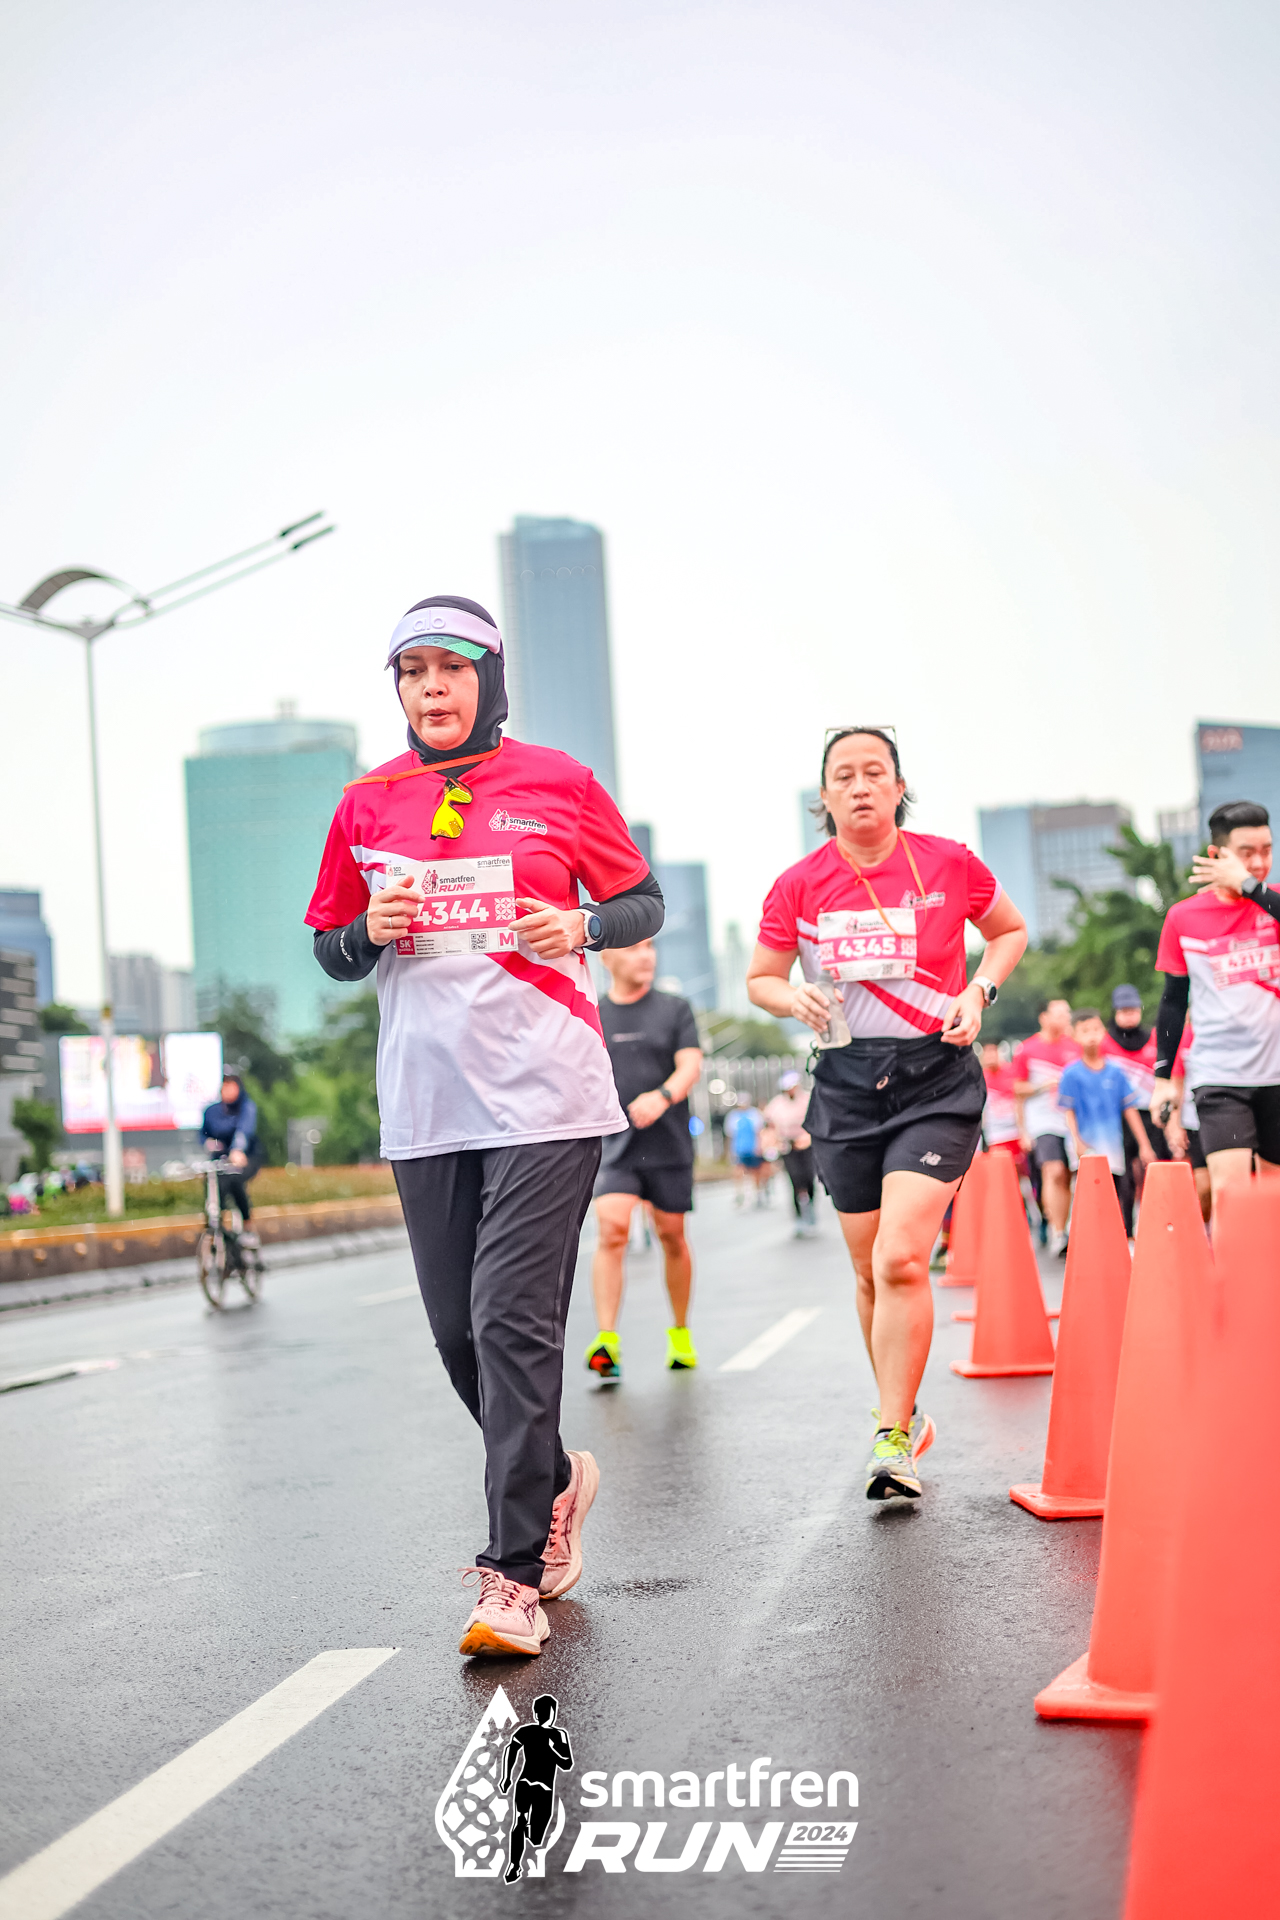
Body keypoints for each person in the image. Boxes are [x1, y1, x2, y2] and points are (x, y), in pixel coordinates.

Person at [305, 594, 663, 1659]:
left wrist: (582, 924)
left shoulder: (559, 782)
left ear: (488, 680)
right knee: (458, 1334)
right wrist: (366, 930)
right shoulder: (365, 801)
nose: (432, 689)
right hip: (427, 1104)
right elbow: (328, 944)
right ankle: (552, 1482)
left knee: (510, 1323)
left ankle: (512, 1575)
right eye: (413, 672)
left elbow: (640, 901)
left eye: (452, 669)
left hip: (547, 1093)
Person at [746, 727, 1027, 1501]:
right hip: (844, 1085)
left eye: (876, 772)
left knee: (901, 1257)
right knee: (868, 1267)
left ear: (900, 787)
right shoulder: (798, 884)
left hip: (935, 1078)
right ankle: (900, 1411)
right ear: (824, 797)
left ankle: (892, 1438)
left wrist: (978, 991)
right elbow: (761, 978)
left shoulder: (948, 862)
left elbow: (1007, 931)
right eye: (845, 775)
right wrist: (791, 998)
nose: (861, 785)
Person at [1150, 800, 1280, 1210]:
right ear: (1216, 855)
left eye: (1267, 850)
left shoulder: (1273, 902)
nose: (1259, 863)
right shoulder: (1183, 918)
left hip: (1277, 1073)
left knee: (1274, 1196)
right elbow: (1173, 1002)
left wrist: (1250, 887)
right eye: (1246, 853)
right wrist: (1163, 1077)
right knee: (1231, 1194)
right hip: (1220, 1076)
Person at [587, 939, 703, 1382]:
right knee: (612, 1230)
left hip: (668, 1143)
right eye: (634, 948)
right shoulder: (593, 1012)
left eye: (651, 946)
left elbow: (690, 1066)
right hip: (615, 1146)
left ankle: (680, 1332)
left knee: (671, 1236)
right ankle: (606, 1341)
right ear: (607, 958)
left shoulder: (675, 1009)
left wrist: (663, 1096)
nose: (646, 955)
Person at [1057, 1009, 1154, 1210]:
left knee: (1116, 1197)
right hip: (1085, 1149)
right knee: (1089, 1199)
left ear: (1103, 1032)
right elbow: (1069, 1111)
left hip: (1112, 1149)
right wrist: (1076, 1141)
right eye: (1085, 1031)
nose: (1091, 1036)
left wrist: (1144, 1144)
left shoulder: (1115, 1071)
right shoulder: (1071, 1074)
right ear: (1074, 1035)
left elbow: (1129, 1109)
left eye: (1095, 1029)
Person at [1013, 999, 1078, 1256]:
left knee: (1068, 1175)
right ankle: (1056, 1231)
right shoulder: (1027, 1049)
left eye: (1067, 1014)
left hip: (1070, 1120)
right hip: (1042, 1121)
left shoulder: (1074, 1046)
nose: (1065, 1018)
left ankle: (1064, 1224)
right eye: (1060, 1014)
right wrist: (1022, 1131)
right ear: (1044, 1017)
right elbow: (1017, 1090)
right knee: (1054, 1170)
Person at [500, 1694, 572, 1884]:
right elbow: (511, 1749)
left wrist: (550, 1751)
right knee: (520, 1820)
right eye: (542, 1712)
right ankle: (514, 1865)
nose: (545, 1715)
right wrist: (506, 1777)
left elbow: (567, 1764)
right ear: (536, 1713)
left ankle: (526, 1833)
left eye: (547, 1711)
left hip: (542, 1788)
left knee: (536, 1836)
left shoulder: (559, 1735)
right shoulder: (527, 1731)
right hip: (528, 1783)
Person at [201, 1073, 262, 1246]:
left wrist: (237, 1150)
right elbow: (203, 1133)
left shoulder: (246, 1108)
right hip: (220, 1160)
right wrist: (208, 1143)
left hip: (246, 1157)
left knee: (235, 1180)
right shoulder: (212, 1111)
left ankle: (247, 1224)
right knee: (213, 1184)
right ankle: (215, 1225)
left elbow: (244, 1131)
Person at [1163, 1024, 1212, 1223]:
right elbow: (1177, 1083)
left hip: (1237, 1118)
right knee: (1204, 1187)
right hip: (1196, 1122)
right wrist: (1175, 1125)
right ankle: (1203, 1231)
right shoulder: (1188, 1035)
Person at [763, 1071, 819, 1235]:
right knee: (795, 1180)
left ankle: (810, 1208)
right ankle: (799, 1217)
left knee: (808, 1178)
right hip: (787, 1147)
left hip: (806, 1145)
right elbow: (769, 1125)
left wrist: (807, 1137)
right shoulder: (777, 1104)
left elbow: (816, 1121)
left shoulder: (806, 1100)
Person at [980, 1041, 1021, 1157]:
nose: (990, 1057)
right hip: (995, 1134)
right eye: (987, 1054)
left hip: (1016, 1131)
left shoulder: (1012, 1072)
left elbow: (1020, 1100)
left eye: (993, 1053)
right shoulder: (980, 1078)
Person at [726, 1100, 767, 1204]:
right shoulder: (733, 1116)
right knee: (738, 1171)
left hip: (753, 1148)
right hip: (739, 1149)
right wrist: (730, 1151)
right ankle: (739, 1193)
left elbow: (759, 1132)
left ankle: (758, 1193)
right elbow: (730, 1134)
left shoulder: (754, 1114)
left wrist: (760, 1147)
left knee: (755, 1171)